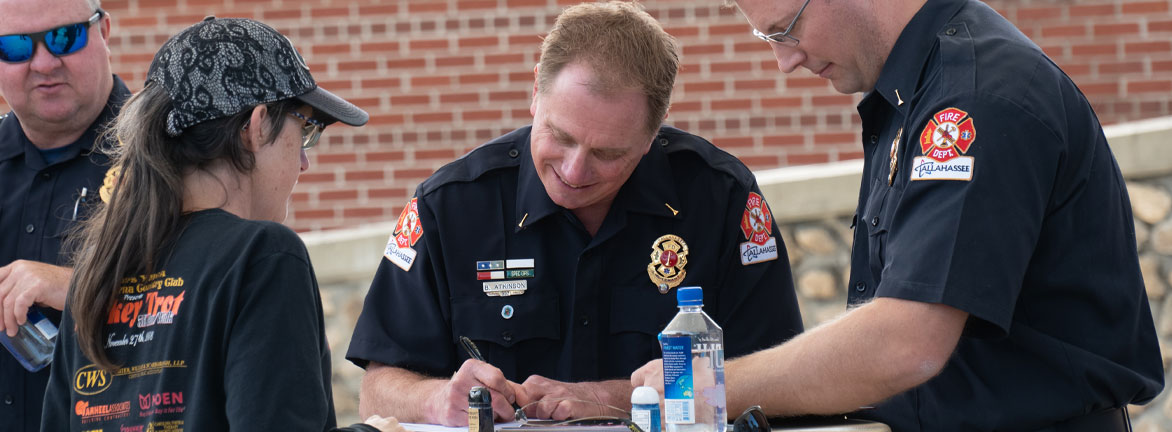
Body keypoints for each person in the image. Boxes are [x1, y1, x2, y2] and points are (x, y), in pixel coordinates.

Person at [633, 0, 1165, 430]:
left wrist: (704, 387)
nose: (785, 61)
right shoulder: (921, 90)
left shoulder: (972, 99)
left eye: (786, 30)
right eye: (768, 40)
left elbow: (906, 343)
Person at [347, 1, 804, 426]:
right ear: (535, 94)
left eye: (608, 153)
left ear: (650, 138)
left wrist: (621, 398)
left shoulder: (721, 200)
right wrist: (436, 398)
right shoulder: (451, 207)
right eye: (560, 136)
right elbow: (376, 390)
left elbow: (783, 382)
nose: (574, 170)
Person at [38, 16, 398, 431]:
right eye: (306, 130)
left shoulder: (99, 268)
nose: (305, 161)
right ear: (257, 126)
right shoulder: (263, 256)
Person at [0, 0, 128, 430]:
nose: (43, 62)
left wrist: (78, 288)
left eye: (63, 36)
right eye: (15, 46)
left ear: (104, 31)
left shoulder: (173, 159)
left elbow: (210, 301)